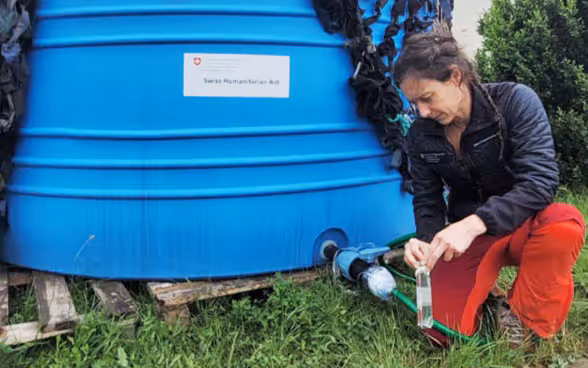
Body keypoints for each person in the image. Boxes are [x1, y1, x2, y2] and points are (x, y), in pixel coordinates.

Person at [393, 28, 586, 348]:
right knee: (438, 331)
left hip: (525, 227)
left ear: (455, 77)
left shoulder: (515, 102)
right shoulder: (419, 135)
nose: (422, 112)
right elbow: (427, 200)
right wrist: (427, 244)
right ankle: (487, 297)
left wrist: (473, 223)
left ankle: (525, 322)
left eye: (427, 98)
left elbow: (540, 182)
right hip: (469, 240)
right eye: (414, 103)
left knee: (565, 223)